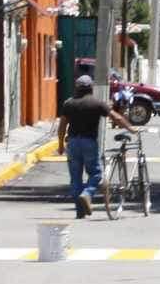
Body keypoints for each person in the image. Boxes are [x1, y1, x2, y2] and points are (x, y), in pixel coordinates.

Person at [57, 72, 135, 217]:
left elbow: (62, 126)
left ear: (77, 88)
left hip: (72, 143)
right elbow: (115, 116)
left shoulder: (69, 104)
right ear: (90, 88)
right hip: (89, 143)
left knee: (75, 177)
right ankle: (87, 194)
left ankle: (80, 211)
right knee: (96, 174)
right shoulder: (96, 103)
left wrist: (61, 144)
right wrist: (131, 128)